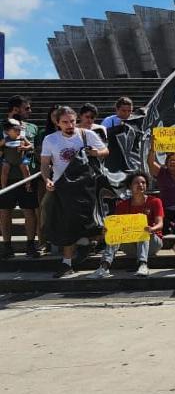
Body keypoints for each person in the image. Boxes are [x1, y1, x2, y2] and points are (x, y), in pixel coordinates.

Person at [40, 106, 110, 278]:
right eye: (65, 122)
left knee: (90, 222)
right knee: (66, 224)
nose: (70, 125)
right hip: (62, 187)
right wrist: (47, 180)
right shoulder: (50, 139)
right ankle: (67, 262)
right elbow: (44, 164)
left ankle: (89, 246)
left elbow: (106, 151)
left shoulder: (87, 134)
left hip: (86, 187)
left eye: (72, 121)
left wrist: (95, 152)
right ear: (57, 123)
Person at [91, 171, 163, 278]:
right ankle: (104, 267)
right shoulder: (122, 205)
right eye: (136, 183)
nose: (140, 185)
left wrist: (151, 229)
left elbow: (160, 224)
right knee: (114, 234)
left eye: (143, 182)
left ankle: (143, 265)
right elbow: (115, 226)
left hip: (152, 243)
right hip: (130, 246)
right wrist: (107, 230)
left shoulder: (155, 201)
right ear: (130, 186)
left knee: (142, 230)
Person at [0, 98, 40, 259]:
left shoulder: (33, 127)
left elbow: (36, 149)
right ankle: (7, 246)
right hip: (5, 176)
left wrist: (28, 148)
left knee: (29, 211)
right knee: (4, 212)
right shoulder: (1, 126)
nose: (30, 111)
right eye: (27, 108)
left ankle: (31, 245)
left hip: (26, 178)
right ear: (16, 109)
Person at [1, 119, 34, 192]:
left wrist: (25, 147)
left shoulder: (22, 138)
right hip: (8, 159)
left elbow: (31, 146)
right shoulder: (6, 139)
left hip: (20, 158)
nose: (18, 132)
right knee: (4, 171)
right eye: (15, 130)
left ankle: (28, 185)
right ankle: (3, 186)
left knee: (26, 170)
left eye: (19, 130)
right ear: (7, 132)